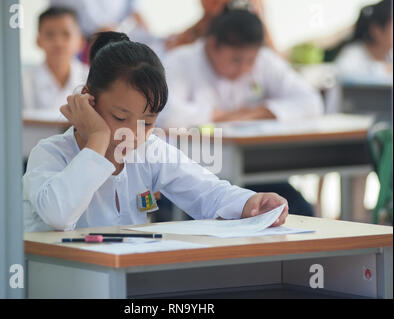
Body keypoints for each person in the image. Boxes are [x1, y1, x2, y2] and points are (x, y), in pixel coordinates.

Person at [22, 31, 289, 232]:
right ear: (88, 100)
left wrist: (251, 202)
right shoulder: (50, 154)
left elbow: (208, 192)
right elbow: (58, 215)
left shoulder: (149, 150)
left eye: (148, 122)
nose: (135, 134)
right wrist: (99, 138)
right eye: (120, 117)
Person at [158, 10, 323, 217]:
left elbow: (311, 101)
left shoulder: (264, 60)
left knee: (298, 211)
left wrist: (257, 113)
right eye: (236, 60)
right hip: (196, 170)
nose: (244, 68)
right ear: (211, 45)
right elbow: (167, 113)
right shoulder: (180, 61)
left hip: (253, 167)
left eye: (250, 61)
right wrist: (223, 115)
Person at [22, 7, 89, 115]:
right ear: (38, 41)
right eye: (49, 35)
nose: (58, 42)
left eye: (66, 34)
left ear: (80, 41)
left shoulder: (91, 79)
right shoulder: (23, 82)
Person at [334, 0, 392, 84]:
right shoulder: (352, 56)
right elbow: (344, 76)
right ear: (377, 30)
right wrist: (383, 69)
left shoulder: (389, 55)